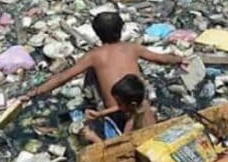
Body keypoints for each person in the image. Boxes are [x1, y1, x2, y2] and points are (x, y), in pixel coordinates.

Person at [21, 11, 184, 129]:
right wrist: (180, 60)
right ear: (121, 29)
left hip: (115, 113)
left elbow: (63, 77)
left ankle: (95, 104)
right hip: (137, 104)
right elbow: (161, 59)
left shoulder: (94, 55)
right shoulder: (132, 48)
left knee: (92, 72)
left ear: (97, 33)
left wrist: (33, 92)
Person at [82, 74, 145, 143]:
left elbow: (122, 149)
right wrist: (100, 113)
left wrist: (93, 138)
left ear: (132, 105)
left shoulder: (131, 124)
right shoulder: (139, 106)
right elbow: (119, 108)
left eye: (119, 103)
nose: (118, 106)